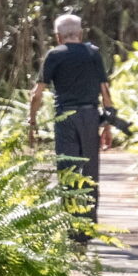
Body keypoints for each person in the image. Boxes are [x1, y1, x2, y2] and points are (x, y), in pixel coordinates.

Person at [28, 13, 113, 239]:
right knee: (90, 170)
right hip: (90, 116)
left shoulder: (54, 55)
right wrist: (108, 125)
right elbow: (105, 91)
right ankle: (89, 223)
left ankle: (71, 225)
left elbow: (37, 94)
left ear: (58, 36)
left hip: (65, 117)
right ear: (80, 33)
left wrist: (32, 121)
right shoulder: (92, 54)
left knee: (68, 170)